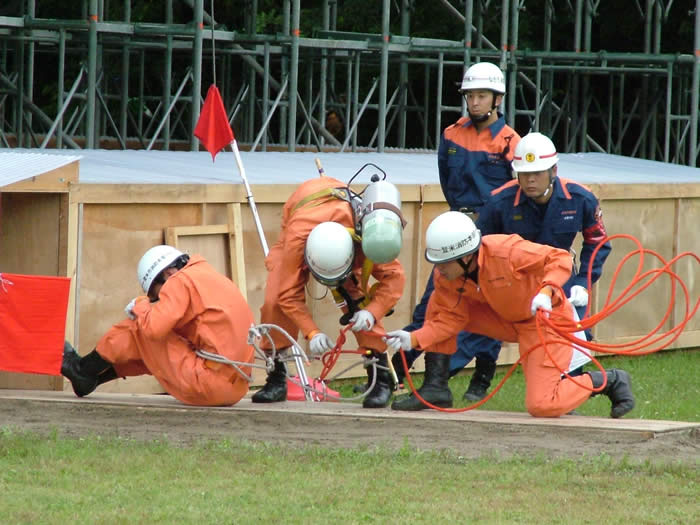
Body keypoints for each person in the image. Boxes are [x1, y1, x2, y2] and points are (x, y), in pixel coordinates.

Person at [386, 211, 635, 418]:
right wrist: (415, 339)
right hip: (502, 317)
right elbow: (448, 320)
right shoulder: (447, 276)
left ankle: (608, 380)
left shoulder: (507, 251)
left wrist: (546, 292)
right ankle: (435, 387)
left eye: (444, 262)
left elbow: (559, 258)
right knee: (437, 305)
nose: (438, 269)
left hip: (543, 321)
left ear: (466, 256)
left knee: (542, 405)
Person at [446, 131, 613, 401]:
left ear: (554, 171)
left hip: (560, 281)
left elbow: (598, 242)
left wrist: (584, 280)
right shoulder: (499, 202)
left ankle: (577, 389)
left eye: (537, 173)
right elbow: (475, 249)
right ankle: (450, 381)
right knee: (478, 323)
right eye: (524, 174)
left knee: (574, 336)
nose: (530, 180)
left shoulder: (580, 198)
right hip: (510, 283)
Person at [394, 61, 521, 396]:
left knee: (488, 307)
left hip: (492, 237)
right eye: (470, 95)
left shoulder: (511, 142)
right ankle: (393, 373)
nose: (475, 102)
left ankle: (481, 376)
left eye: (482, 95)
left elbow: (516, 195)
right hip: (455, 230)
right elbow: (448, 183)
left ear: (497, 99)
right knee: (431, 304)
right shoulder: (450, 134)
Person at [253, 176, 406, 408]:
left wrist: (372, 312)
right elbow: (288, 294)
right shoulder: (296, 241)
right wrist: (312, 332)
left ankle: (380, 379)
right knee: (275, 299)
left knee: (357, 302)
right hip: (300, 209)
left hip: (339, 209)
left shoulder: (368, 237)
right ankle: (276, 377)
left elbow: (395, 277)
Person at [61, 245, 255, 406]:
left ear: (168, 273)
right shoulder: (208, 276)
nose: (159, 299)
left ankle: (82, 370)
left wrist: (141, 305)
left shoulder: (179, 281)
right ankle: (93, 379)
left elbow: (152, 330)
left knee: (139, 330)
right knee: (156, 348)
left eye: (157, 294)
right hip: (235, 388)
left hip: (208, 385)